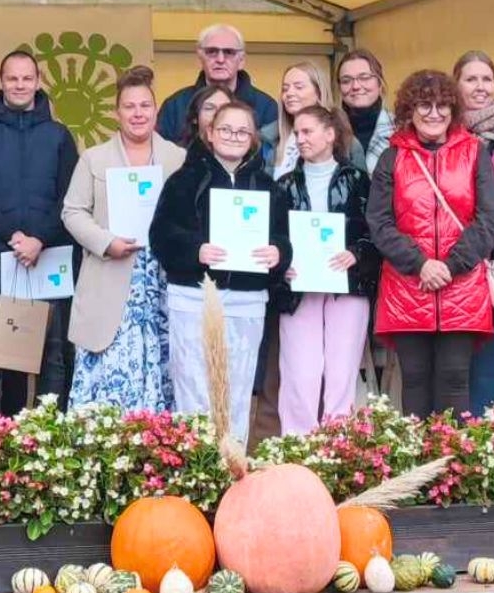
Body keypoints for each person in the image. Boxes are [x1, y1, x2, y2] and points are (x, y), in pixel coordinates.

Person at [150, 98, 289, 435]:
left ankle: (232, 458)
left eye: (242, 131)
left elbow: (284, 237)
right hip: (194, 295)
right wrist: (195, 250)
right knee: (193, 383)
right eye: (226, 129)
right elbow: (161, 236)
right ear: (209, 133)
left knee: (238, 387)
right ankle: (196, 459)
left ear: (253, 139)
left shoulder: (268, 187)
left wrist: (278, 253)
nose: (233, 137)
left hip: (246, 297)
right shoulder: (183, 181)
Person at [369, 70, 494, 417]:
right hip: (407, 283)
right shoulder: (391, 157)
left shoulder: (475, 152)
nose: (434, 113)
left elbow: (489, 220)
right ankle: (418, 451)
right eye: (424, 105)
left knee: (455, 377)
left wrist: (450, 266)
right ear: (409, 110)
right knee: (414, 378)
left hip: (462, 283)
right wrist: (421, 264)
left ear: (453, 109)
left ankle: (451, 451)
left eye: (442, 105)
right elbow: (380, 222)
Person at [0, 50, 80, 416]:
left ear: (39, 82)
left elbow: (70, 197)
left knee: (52, 354)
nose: (20, 85)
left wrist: (39, 239)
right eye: (12, 78)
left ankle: (47, 436)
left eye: (27, 78)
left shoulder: (59, 136)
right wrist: (15, 237)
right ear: (1, 81)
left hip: (49, 257)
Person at [64, 67, 186, 412]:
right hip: (111, 277)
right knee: (107, 380)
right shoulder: (94, 158)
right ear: (116, 112)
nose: (138, 113)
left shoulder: (178, 158)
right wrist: (106, 242)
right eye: (129, 106)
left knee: (166, 372)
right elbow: (72, 212)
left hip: (163, 281)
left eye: (145, 105)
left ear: (156, 110)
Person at [274, 105, 379, 433]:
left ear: (330, 134)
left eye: (307, 131)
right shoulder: (284, 184)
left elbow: (376, 231)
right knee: (299, 372)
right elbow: (273, 236)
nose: (300, 139)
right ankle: (297, 444)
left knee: (341, 371)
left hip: (347, 286)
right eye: (297, 133)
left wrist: (357, 254)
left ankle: (337, 444)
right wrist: (282, 262)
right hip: (298, 288)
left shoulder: (358, 180)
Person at [456, 49, 494, 415]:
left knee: (487, 362)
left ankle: (484, 437)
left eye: (486, 79)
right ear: (456, 85)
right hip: (456, 259)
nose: (480, 87)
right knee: (455, 365)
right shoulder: (443, 133)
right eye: (471, 79)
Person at [156, 24, 279, 142]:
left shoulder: (266, 108)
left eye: (229, 52)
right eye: (212, 52)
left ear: (241, 60)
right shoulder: (175, 106)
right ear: (200, 58)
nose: (220, 59)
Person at [263, 60, 330, 178]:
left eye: (299, 87)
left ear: (319, 93)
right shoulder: (269, 139)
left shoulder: (343, 138)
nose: (289, 93)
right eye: (285, 89)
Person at [335, 48, 394, 175]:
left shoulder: (399, 128)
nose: (355, 86)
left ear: (379, 83)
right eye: (346, 81)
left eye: (364, 78)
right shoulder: (329, 130)